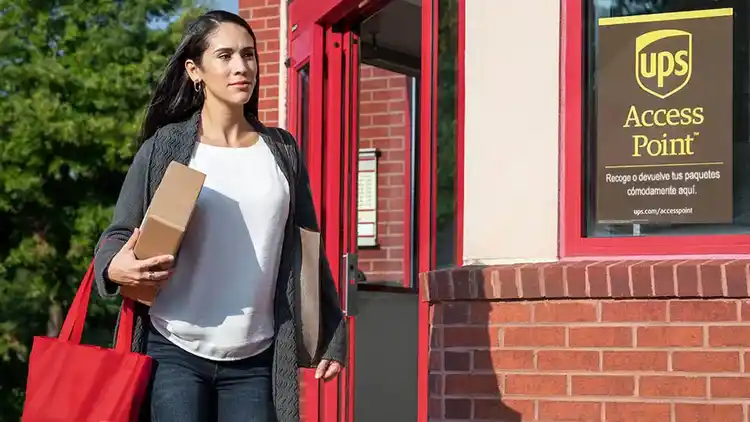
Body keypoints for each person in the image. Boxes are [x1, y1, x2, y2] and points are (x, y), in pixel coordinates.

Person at [92, 10, 347, 422]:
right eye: (225, 56)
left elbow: (307, 248)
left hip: (255, 358)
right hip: (173, 351)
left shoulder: (281, 150)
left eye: (248, 55)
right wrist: (114, 267)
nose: (241, 67)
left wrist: (331, 334)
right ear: (196, 70)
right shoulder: (166, 146)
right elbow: (119, 234)